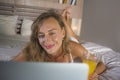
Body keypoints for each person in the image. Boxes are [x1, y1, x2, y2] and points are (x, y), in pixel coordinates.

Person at [12, 8, 106, 80]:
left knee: (76, 38)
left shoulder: (73, 48)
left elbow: (101, 64)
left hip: (69, 41)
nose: (46, 40)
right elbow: (8, 69)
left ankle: (65, 21)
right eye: (41, 35)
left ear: (63, 33)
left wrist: (94, 74)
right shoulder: (32, 50)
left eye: (52, 33)